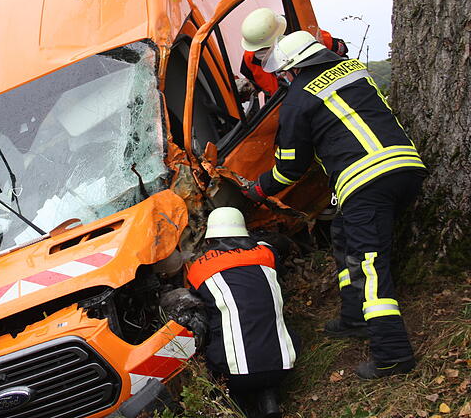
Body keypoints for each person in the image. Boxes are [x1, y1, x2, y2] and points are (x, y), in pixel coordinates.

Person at [242, 30, 427, 379]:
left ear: (290, 69)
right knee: (343, 234)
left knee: (369, 263)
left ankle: (393, 354)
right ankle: (355, 317)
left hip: (365, 181)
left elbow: (291, 167)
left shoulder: (297, 99)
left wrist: (259, 189)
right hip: (405, 166)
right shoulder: (352, 68)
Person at [162, 207, 298, 418]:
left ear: (209, 240)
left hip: (235, 374)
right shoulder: (267, 256)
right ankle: (268, 399)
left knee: (212, 324)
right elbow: (271, 249)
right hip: (283, 364)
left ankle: (238, 406)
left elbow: (196, 302)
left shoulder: (199, 269)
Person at [240, 7, 348, 95]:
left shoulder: (307, 37)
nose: (262, 52)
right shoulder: (250, 58)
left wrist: (320, 48)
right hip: (287, 107)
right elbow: (255, 84)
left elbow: (341, 49)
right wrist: (245, 88)